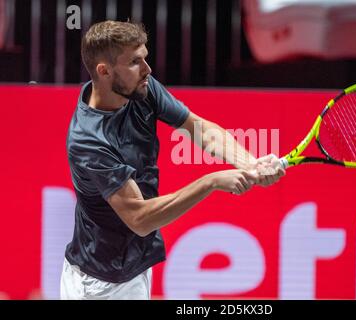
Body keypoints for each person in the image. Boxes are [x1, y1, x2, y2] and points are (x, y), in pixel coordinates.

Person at [61, 20, 285, 300]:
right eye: (134, 62)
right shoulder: (89, 141)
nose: (147, 69)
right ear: (104, 71)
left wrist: (249, 163)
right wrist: (211, 181)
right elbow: (140, 218)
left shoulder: (139, 89)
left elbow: (199, 129)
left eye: (145, 58)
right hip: (100, 284)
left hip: (132, 266)